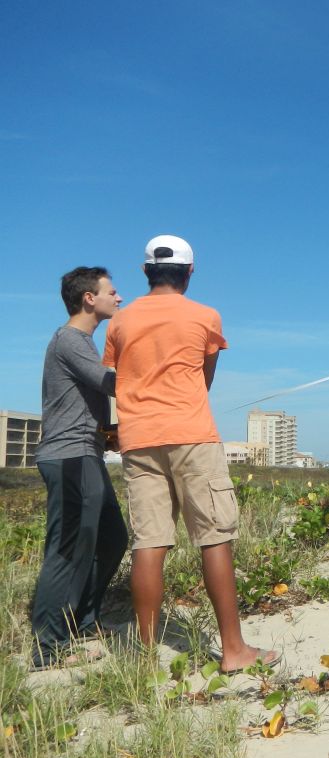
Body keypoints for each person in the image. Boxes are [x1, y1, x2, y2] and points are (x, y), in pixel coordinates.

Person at [103, 235, 278, 672]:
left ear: (145, 271)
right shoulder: (205, 315)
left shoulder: (120, 322)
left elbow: (113, 377)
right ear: (190, 272)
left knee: (150, 542)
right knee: (214, 537)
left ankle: (143, 657)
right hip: (192, 434)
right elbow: (205, 377)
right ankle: (233, 651)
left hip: (138, 437)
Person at [31, 267, 128, 670]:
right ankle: (47, 648)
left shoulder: (82, 342)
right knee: (67, 549)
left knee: (110, 539)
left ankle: (82, 623)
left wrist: (109, 432)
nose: (118, 298)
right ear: (90, 298)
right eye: (112, 291)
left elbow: (93, 395)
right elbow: (111, 383)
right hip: (69, 457)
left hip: (87, 454)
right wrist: (169, 373)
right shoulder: (70, 340)